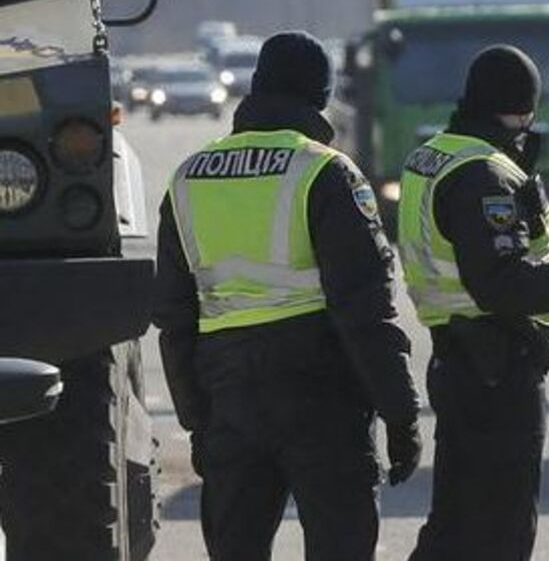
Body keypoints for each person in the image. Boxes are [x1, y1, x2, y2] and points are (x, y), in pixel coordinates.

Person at [152, 31, 423, 561]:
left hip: (228, 394)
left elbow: (174, 318)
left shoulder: (189, 177)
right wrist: (401, 412)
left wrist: (199, 422)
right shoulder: (325, 171)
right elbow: (366, 309)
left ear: (256, 87)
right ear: (320, 97)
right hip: (321, 395)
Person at [399, 45, 549, 561]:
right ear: (519, 107)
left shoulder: (438, 154)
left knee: (455, 525)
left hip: (459, 358)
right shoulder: (483, 174)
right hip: (497, 365)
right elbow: (502, 282)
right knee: (500, 532)